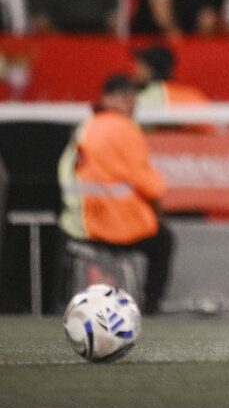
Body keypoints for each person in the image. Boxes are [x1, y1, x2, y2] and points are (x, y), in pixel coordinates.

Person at [58, 74, 174, 314]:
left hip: (77, 222)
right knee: (163, 240)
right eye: (131, 98)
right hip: (114, 224)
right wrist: (158, 206)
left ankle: (60, 305)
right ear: (122, 98)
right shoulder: (124, 129)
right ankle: (151, 308)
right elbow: (148, 183)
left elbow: (66, 171)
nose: (133, 104)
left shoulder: (86, 127)